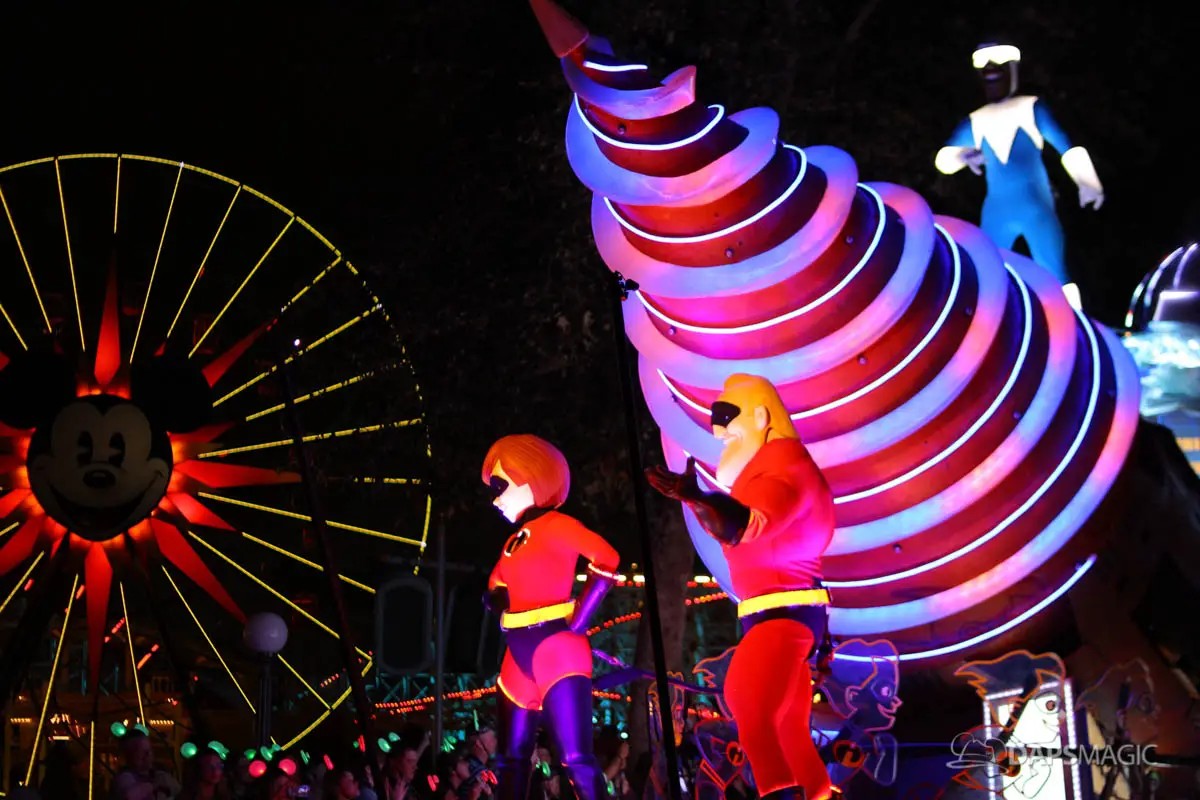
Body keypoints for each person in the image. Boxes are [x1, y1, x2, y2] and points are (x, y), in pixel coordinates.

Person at [647, 374, 835, 800]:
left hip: (783, 615)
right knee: (787, 728)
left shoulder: (783, 470)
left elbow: (745, 525)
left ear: (762, 417)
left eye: (730, 430)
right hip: (784, 615)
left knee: (748, 704)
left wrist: (697, 498)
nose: (722, 438)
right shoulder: (770, 471)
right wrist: (698, 499)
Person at [481, 434, 620, 800]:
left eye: (500, 485)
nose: (495, 498)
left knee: (575, 758)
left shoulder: (558, 525)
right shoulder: (513, 542)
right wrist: (499, 602)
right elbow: (496, 583)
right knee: (510, 760)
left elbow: (608, 558)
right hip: (517, 653)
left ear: (530, 475)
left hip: (557, 647)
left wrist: (581, 616)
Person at [934, 42, 1103, 310]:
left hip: (1036, 207)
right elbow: (943, 160)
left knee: (1054, 269)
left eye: (998, 61)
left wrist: (1088, 182)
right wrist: (963, 156)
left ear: (1012, 68)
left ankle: (1074, 324)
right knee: (988, 269)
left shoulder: (1032, 108)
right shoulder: (976, 120)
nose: (991, 67)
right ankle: (992, 321)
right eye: (983, 63)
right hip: (997, 210)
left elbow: (1066, 146)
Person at [110, 730, 182, 800]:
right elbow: (128, 797)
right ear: (127, 755)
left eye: (149, 749)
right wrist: (153, 785)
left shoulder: (162, 776)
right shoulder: (124, 779)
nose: (148, 754)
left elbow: (180, 794)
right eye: (140, 751)